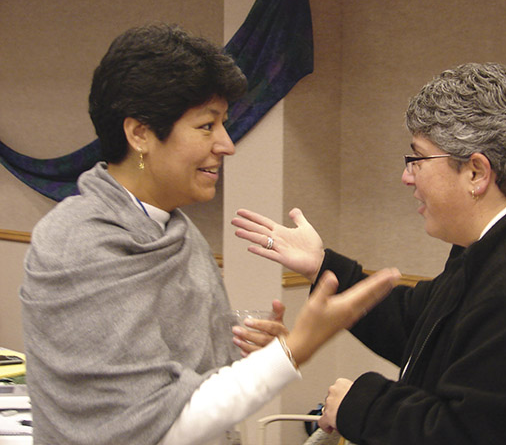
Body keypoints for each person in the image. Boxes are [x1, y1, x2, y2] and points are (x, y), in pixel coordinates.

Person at [19, 23, 401, 445]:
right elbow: (147, 427)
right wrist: (294, 351)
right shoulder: (77, 244)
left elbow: (184, 381)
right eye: (206, 126)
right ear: (140, 133)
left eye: (223, 123)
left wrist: (248, 356)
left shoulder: (176, 233)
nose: (227, 144)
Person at [232, 62, 506, 444]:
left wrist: (361, 403)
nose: (406, 176)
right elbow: (421, 326)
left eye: (418, 159)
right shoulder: (502, 251)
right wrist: (323, 266)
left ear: (476, 173)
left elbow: (465, 435)